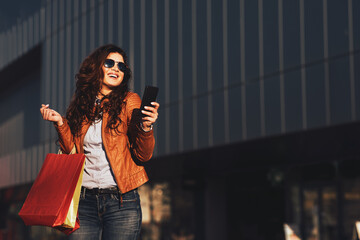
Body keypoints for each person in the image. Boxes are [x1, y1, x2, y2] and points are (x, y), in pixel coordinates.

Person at [40, 44, 159, 240]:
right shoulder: (80, 105)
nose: (116, 69)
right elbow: (70, 149)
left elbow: (143, 155)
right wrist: (60, 122)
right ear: (97, 67)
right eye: (110, 63)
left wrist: (145, 127)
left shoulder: (130, 101)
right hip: (83, 200)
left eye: (121, 66)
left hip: (121, 200)